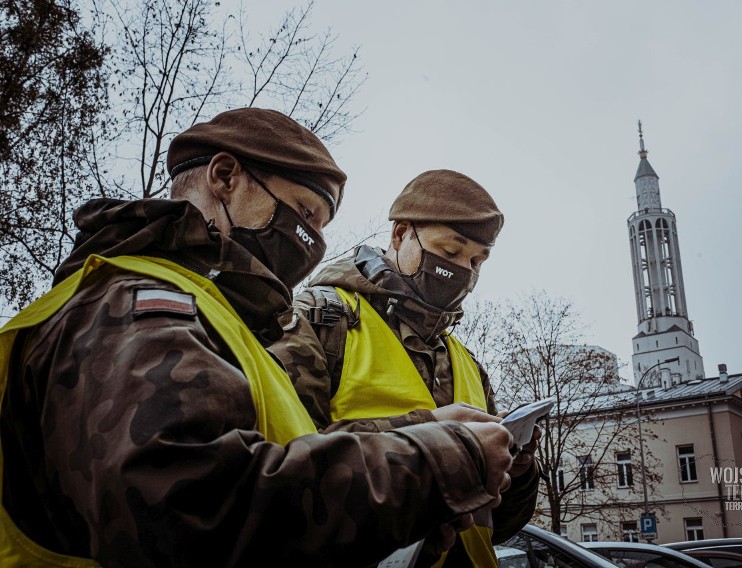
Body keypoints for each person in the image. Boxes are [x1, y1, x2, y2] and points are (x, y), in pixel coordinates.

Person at [0, 109, 516, 567]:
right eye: (304, 213)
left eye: (321, 225)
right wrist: (436, 462)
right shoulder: (136, 304)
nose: (312, 242)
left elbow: (280, 455)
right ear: (225, 176)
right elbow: (190, 512)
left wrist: (464, 455)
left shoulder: (220, 320)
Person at [272, 170, 539, 567]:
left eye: (477, 261)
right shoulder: (319, 319)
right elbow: (281, 466)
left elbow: (495, 525)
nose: (464, 271)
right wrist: (428, 432)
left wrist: (516, 466)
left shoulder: (465, 361)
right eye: (450, 253)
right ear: (400, 236)